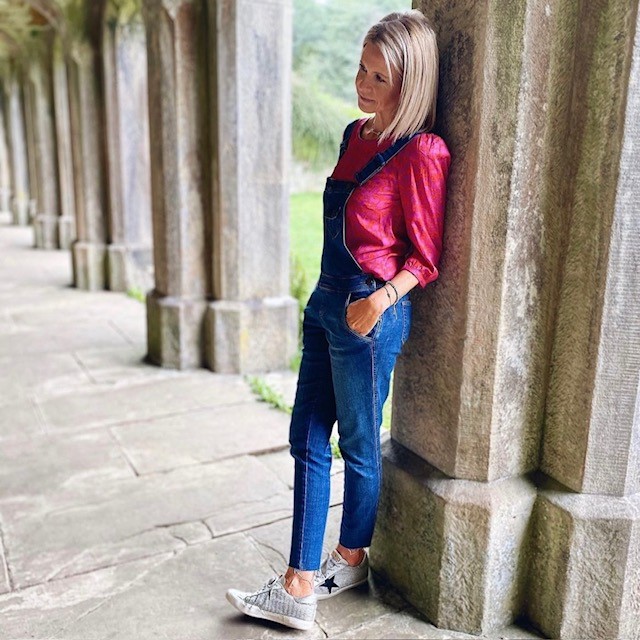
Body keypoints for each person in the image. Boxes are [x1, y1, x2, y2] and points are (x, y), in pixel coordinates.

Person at [226, 9, 451, 631]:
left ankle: (344, 559)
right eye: (361, 68)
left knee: (356, 442)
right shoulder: (356, 136)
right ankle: (301, 577)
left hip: (368, 312)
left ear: (410, 85)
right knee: (305, 435)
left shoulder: (423, 151)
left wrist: (375, 303)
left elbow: (426, 257)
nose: (363, 84)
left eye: (380, 76)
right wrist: (330, 303)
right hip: (325, 303)